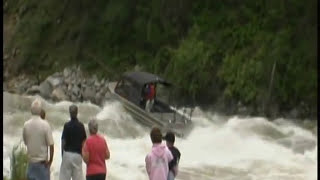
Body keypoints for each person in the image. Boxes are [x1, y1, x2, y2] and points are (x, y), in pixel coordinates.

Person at [23, 99, 54, 180]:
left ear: (31, 110)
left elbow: (26, 142)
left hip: (31, 163)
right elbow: (51, 145)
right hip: (42, 164)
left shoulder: (26, 125)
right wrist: (50, 161)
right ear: (40, 111)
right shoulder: (45, 125)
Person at [59, 105, 87, 180]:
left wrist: (62, 154)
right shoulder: (81, 126)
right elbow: (84, 142)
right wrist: (83, 154)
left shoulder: (66, 125)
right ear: (77, 113)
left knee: (64, 178)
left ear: (70, 113)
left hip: (67, 154)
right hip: (77, 155)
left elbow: (63, 141)